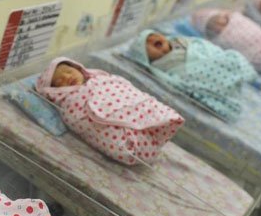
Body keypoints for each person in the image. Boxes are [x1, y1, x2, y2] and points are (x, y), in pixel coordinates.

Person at [36, 57, 185, 165]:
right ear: (54, 92)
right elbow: (76, 120)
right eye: (59, 82)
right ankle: (139, 141)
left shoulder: (102, 79)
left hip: (131, 105)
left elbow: (126, 89)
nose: (67, 78)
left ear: (79, 69)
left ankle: (156, 118)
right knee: (116, 130)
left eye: (68, 71)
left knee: (143, 105)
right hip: (115, 127)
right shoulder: (70, 102)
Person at [122, 30, 258, 122]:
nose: (151, 40)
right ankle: (228, 81)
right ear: (147, 60)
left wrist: (214, 56)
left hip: (209, 58)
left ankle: (232, 73)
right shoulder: (161, 65)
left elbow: (203, 45)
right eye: (147, 45)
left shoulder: (179, 41)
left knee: (230, 58)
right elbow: (176, 82)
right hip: (195, 71)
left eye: (153, 35)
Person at [191, 8, 261, 73]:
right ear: (210, 31)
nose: (220, 23)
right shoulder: (217, 40)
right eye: (213, 25)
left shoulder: (236, 19)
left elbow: (252, 28)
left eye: (217, 19)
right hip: (257, 56)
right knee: (256, 59)